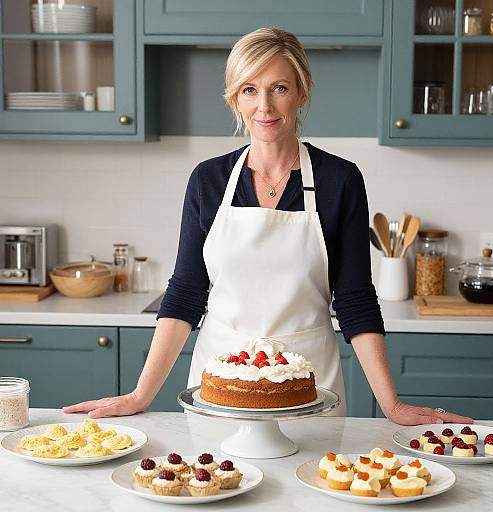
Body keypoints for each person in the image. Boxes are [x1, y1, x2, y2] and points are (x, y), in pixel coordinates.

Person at [64, 28, 471, 426]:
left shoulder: (339, 180)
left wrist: (392, 405)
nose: (265, 106)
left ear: (302, 92)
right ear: (235, 99)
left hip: (309, 386)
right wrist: (139, 396)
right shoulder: (209, 180)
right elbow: (186, 293)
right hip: (219, 384)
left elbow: (355, 299)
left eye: (279, 88)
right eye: (249, 90)